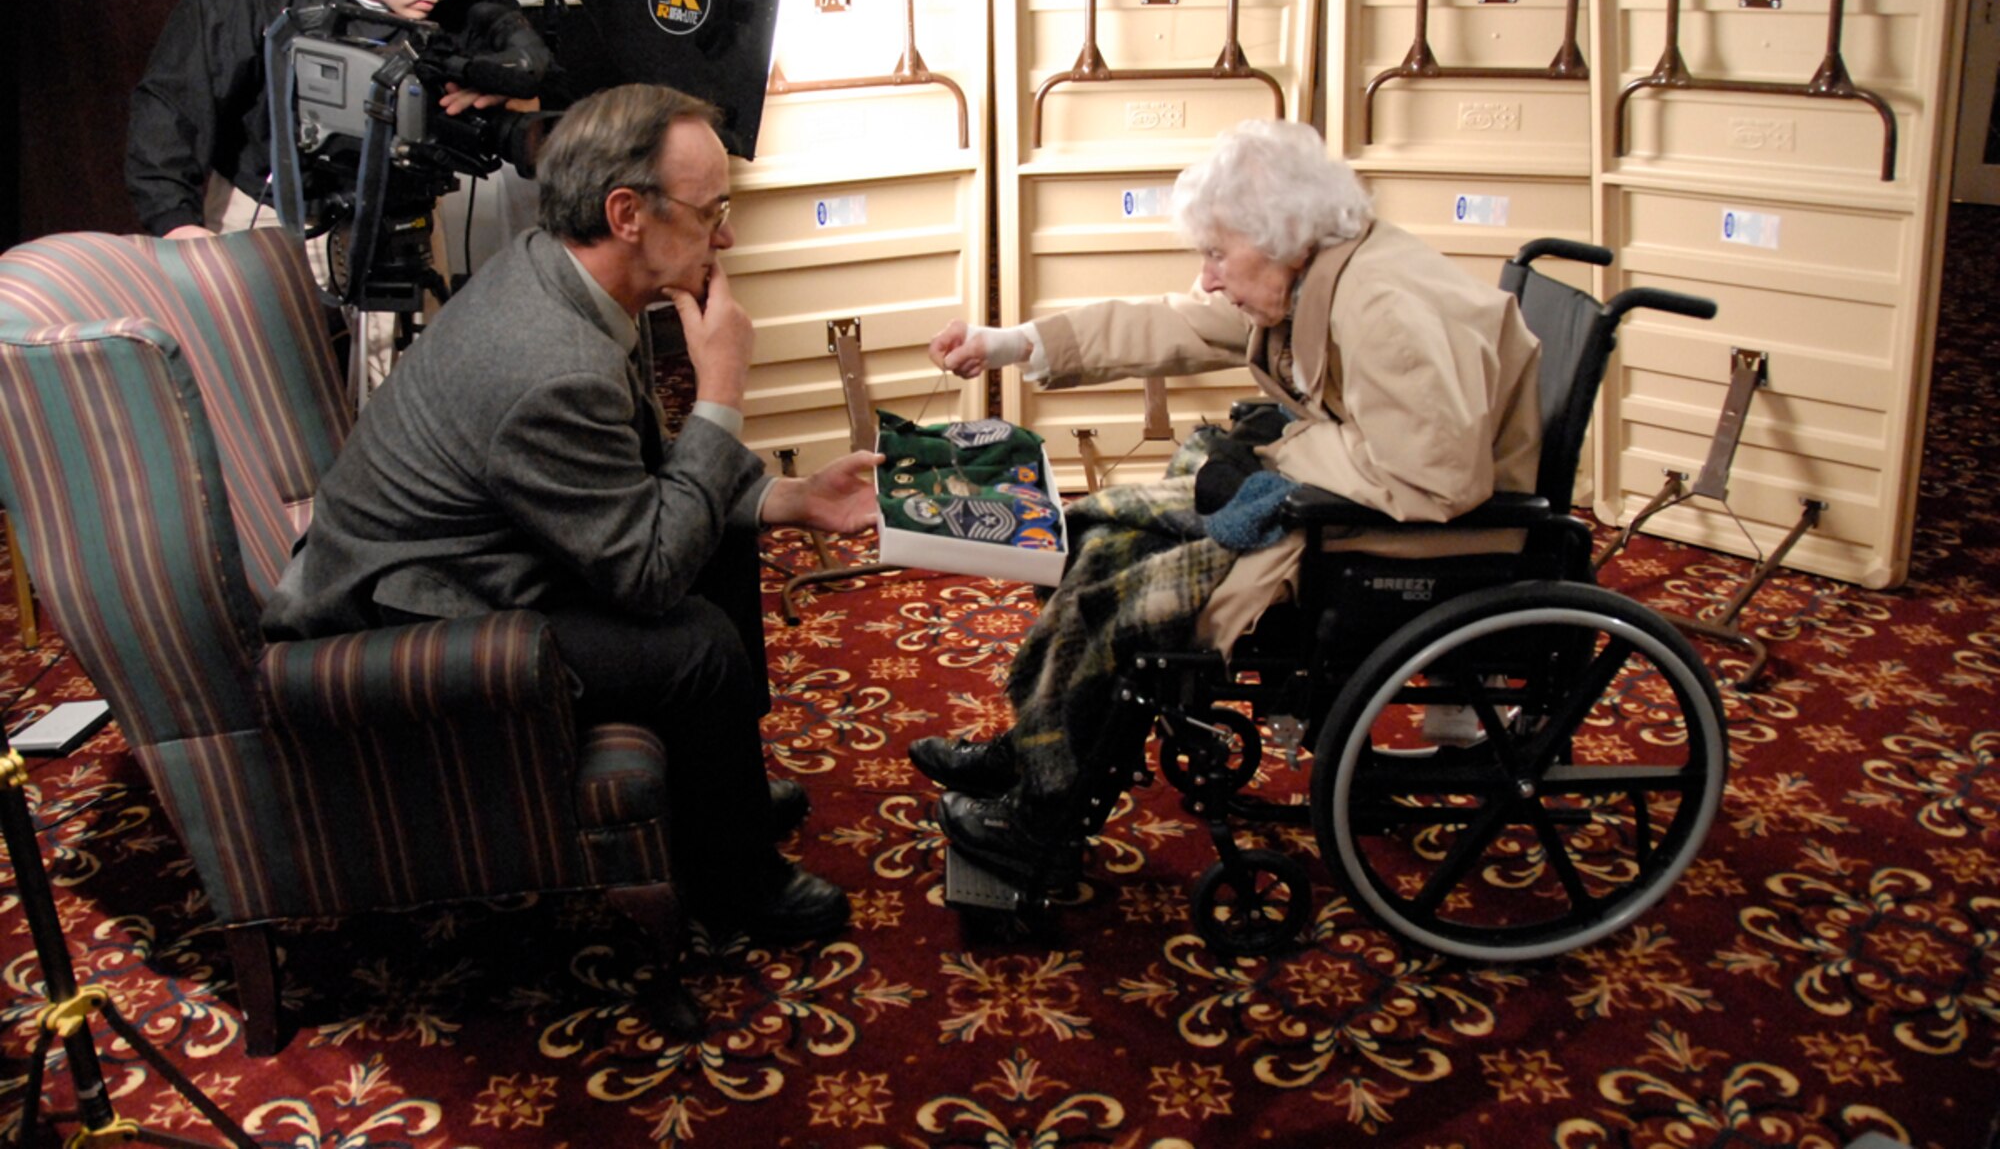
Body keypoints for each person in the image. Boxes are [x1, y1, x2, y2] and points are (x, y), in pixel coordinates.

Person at [262, 82, 879, 944]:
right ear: (627, 212)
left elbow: (643, 473)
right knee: (696, 644)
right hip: (411, 619)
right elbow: (652, 573)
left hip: (483, 553)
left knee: (729, 536)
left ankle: (719, 795)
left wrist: (786, 498)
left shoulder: (556, 270)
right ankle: (732, 883)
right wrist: (724, 390)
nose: (726, 236)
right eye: (712, 212)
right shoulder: (550, 365)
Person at [908, 118, 1544, 878]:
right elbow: (1172, 322)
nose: (1208, 276)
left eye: (1216, 254)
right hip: (1364, 511)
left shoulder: (1380, 306)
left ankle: (1044, 814)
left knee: (1123, 599)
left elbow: (1437, 475)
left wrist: (1270, 463)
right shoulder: (1325, 267)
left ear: (1279, 239)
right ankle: (1038, 743)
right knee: (1104, 537)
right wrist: (1011, 343)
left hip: (1414, 538)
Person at [127, 0, 545, 241]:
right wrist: (174, 221)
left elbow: (530, 55)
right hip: (269, 207)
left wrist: (498, 79)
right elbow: (175, 97)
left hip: (395, 212)